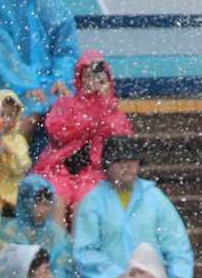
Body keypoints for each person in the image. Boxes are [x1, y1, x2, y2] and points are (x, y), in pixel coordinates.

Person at [74, 137, 198, 278]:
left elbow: (175, 241)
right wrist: (116, 277)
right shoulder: (93, 202)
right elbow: (84, 252)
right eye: (119, 161)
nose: (126, 166)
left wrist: (181, 277)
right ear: (107, 166)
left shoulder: (154, 197)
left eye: (132, 160)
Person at [34, 51, 132, 218]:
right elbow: (57, 132)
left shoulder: (114, 112)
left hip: (95, 173)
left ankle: (80, 243)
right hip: (58, 168)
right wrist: (89, 114)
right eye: (87, 76)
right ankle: (58, 243)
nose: (92, 82)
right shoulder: (66, 103)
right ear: (79, 79)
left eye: (98, 77)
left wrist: (104, 104)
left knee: (84, 206)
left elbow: (120, 140)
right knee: (56, 201)